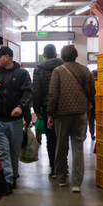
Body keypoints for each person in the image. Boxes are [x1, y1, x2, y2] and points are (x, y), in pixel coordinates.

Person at [0, 46, 32, 194]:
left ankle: (13, 174)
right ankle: (8, 180)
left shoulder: (22, 74)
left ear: (7, 57)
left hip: (15, 121)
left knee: (14, 152)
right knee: (2, 151)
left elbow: (29, 93)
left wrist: (20, 107)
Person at [48, 45, 96, 192]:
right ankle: (76, 184)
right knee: (78, 148)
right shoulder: (85, 70)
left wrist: (50, 114)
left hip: (62, 115)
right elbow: (91, 91)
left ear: (62, 56)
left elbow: (53, 95)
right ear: (75, 56)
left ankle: (61, 179)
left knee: (60, 146)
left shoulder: (58, 71)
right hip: (80, 113)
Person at [32, 44, 64, 179]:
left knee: (51, 138)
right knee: (62, 137)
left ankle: (54, 168)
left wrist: (36, 109)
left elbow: (37, 91)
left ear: (44, 56)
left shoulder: (39, 68)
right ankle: (64, 166)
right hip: (63, 107)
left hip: (46, 107)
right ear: (56, 55)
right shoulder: (63, 66)